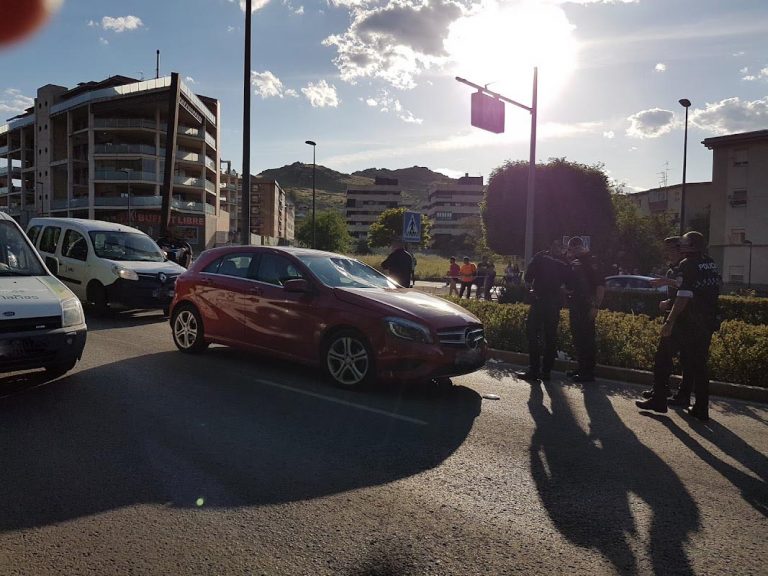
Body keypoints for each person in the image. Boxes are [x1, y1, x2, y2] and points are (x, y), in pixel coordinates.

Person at [636, 231, 721, 420]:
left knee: (662, 357)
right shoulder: (710, 263)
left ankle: (658, 400)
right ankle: (701, 407)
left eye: (683, 241)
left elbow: (684, 296)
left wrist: (669, 321)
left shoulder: (687, 264)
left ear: (691, 245)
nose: (680, 244)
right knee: (699, 364)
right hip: (706, 321)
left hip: (686, 322)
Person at [639, 236, 690, 401]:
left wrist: (665, 281)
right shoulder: (672, 269)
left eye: (670, 249)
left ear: (680, 249)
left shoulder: (686, 266)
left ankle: (665, 397)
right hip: (674, 316)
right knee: (665, 357)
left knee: (668, 357)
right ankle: (661, 390)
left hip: (684, 320)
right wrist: (668, 302)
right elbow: (678, 295)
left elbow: (686, 287)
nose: (667, 253)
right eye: (666, 249)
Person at [515, 241, 570, 381]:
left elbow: (528, 277)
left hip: (539, 301)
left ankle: (534, 370)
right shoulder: (565, 262)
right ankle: (546, 372)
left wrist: (530, 290)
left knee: (533, 334)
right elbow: (570, 284)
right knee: (550, 337)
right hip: (554, 303)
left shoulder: (540, 257)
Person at [565, 236, 604, 383]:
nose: (572, 251)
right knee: (578, 339)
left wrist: (595, 306)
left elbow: (600, 286)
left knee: (587, 339)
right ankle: (582, 368)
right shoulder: (575, 262)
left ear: (579, 247)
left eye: (573, 248)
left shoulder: (591, 261)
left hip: (587, 306)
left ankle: (588, 372)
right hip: (576, 305)